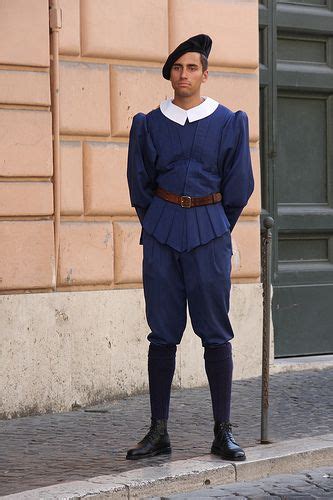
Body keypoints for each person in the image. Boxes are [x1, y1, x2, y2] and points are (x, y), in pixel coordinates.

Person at [126, 34, 254, 461]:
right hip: (161, 233)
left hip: (210, 234)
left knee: (215, 334)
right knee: (162, 333)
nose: (184, 75)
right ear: (170, 74)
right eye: (178, 68)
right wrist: (162, 221)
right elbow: (139, 183)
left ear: (204, 72)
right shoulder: (148, 123)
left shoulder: (229, 121)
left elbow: (238, 187)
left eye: (192, 67)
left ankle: (223, 431)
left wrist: (215, 225)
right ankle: (159, 430)